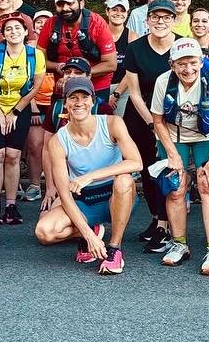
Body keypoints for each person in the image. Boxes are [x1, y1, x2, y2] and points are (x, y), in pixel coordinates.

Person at [34, 76, 142, 275]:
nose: (79, 103)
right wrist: (87, 235)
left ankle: (114, 248)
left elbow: (136, 162)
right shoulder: (58, 140)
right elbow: (64, 194)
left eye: (84, 97)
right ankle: (92, 230)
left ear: (93, 100)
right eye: (73, 98)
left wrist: (91, 176)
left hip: (116, 195)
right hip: (83, 200)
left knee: (125, 179)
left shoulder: (112, 123)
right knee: (44, 232)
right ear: (65, 103)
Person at [149, 37, 209, 274]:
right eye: (181, 63)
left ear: (202, 60)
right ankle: (179, 243)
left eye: (193, 62)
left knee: (208, 184)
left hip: (207, 136)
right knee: (176, 187)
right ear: (172, 64)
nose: (188, 69)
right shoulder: (163, 81)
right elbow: (157, 120)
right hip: (174, 135)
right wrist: (172, 154)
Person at [116, 0, 177, 250]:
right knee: (146, 168)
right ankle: (156, 219)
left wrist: (163, 125)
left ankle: (167, 225)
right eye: (155, 17)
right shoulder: (136, 48)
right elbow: (135, 91)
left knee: (167, 168)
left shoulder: (183, 45)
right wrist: (153, 124)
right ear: (147, 20)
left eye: (166, 17)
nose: (160, 21)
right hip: (141, 115)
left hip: (173, 115)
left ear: (173, 20)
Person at [0, 13, 43, 226]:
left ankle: (11, 205)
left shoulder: (35, 55)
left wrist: (14, 112)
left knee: (14, 156)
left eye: (17, 28)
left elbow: (35, 87)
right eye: (8, 29)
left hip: (19, 107)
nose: (13, 32)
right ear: (3, 34)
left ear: (26, 32)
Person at [38, 0, 116, 103]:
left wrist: (79, 76)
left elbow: (111, 64)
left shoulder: (97, 23)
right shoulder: (50, 24)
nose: (65, 8)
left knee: (94, 119)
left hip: (95, 86)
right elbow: (40, 61)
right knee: (59, 119)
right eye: (60, 4)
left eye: (70, 3)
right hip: (62, 86)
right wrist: (59, 67)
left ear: (81, 2)